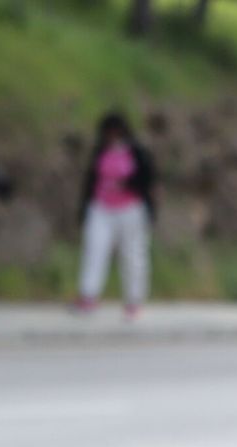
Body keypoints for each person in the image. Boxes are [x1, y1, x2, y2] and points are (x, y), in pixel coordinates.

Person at [75, 111, 157, 318]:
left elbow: (148, 180)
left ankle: (134, 300)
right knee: (94, 250)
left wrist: (127, 184)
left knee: (133, 255)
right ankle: (88, 295)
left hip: (130, 209)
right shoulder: (101, 152)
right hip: (101, 208)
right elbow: (90, 181)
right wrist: (84, 208)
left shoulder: (136, 151)